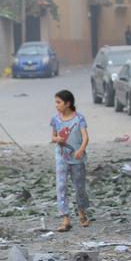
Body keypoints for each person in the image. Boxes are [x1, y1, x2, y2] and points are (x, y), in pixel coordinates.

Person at [50, 89, 90, 231]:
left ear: (68, 103)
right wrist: (57, 139)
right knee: (61, 186)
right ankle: (65, 218)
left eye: (58, 102)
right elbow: (53, 137)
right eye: (56, 102)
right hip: (61, 157)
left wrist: (80, 150)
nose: (56, 105)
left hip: (77, 158)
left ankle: (82, 213)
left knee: (79, 187)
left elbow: (85, 137)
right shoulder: (55, 119)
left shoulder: (79, 119)